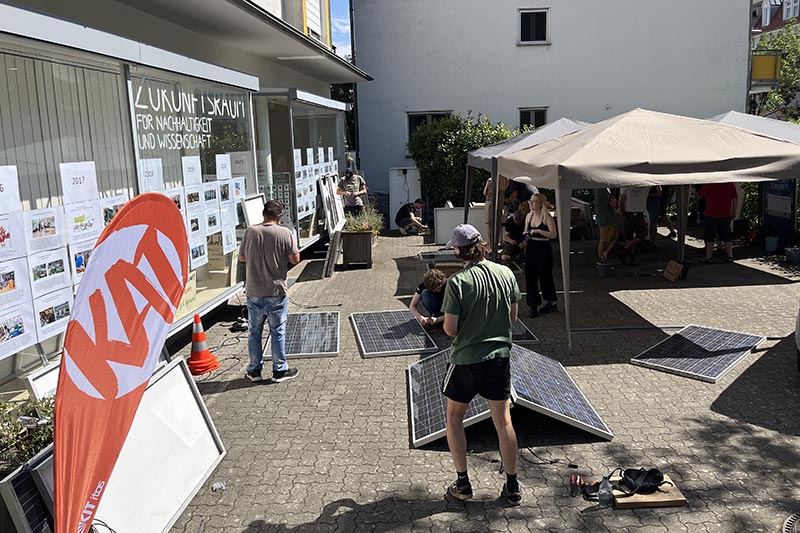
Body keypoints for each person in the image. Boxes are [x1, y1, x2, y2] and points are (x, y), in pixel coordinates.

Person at [440, 224, 522, 505]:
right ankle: (512, 486)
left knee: (454, 418)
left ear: (459, 250)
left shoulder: (457, 282)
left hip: (466, 359)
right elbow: (512, 317)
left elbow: (450, 329)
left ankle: (463, 483)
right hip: (500, 357)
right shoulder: (506, 273)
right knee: (504, 421)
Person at [239, 200, 301, 383]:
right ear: (279, 216)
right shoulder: (284, 232)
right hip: (275, 290)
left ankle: (254, 371)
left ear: (263, 213)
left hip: (254, 290)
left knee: (254, 331)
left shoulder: (250, 231)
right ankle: (279, 370)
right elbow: (295, 259)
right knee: (277, 331)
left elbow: (242, 257)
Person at [523, 194, 558, 318]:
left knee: (545, 275)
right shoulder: (529, 216)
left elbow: (553, 235)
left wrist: (539, 231)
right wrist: (524, 241)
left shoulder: (546, 217)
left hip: (543, 248)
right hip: (531, 248)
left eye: (534, 201)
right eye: (530, 201)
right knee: (530, 276)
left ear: (540, 203)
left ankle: (551, 301)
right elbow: (526, 232)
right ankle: (533, 304)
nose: (531, 204)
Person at [697, 182, 738, 263]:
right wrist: (733, 212)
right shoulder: (730, 184)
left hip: (711, 214)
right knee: (726, 235)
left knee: (710, 236)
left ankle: (709, 257)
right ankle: (730, 256)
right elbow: (735, 198)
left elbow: (699, 195)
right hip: (725, 214)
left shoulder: (710, 184)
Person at [618, 186, 650, 265]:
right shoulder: (626, 184)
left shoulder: (646, 184)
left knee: (643, 233)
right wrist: (622, 213)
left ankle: (624, 250)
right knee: (629, 236)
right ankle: (629, 256)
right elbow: (622, 200)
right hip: (629, 213)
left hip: (639, 214)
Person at [594, 188, 618, 264]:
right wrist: (614, 200)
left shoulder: (605, 190)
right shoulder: (600, 190)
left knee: (614, 237)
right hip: (605, 219)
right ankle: (601, 258)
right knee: (604, 240)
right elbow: (613, 203)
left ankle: (605, 253)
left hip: (609, 218)